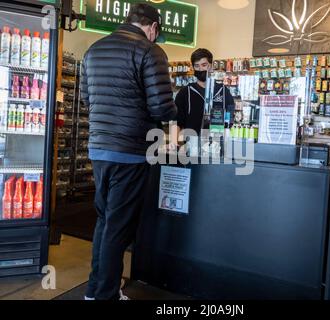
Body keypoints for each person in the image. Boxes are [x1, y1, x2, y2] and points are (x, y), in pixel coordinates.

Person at [80, 3, 177, 300]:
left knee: (105, 220)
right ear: (153, 27)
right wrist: (173, 125)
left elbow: (86, 99)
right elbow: (161, 106)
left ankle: (96, 289)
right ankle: (106, 294)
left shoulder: (93, 50)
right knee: (118, 227)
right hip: (131, 150)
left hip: (99, 148)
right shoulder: (149, 51)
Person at [171, 49, 235, 147]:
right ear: (193, 68)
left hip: (217, 146)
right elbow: (176, 121)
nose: (200, 69)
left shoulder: (223, 91)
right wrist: (173, 142)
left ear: (211, 65)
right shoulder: (186, 92)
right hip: (192, 147)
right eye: (197, 66)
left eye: (204, 65)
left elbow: (230, 119)